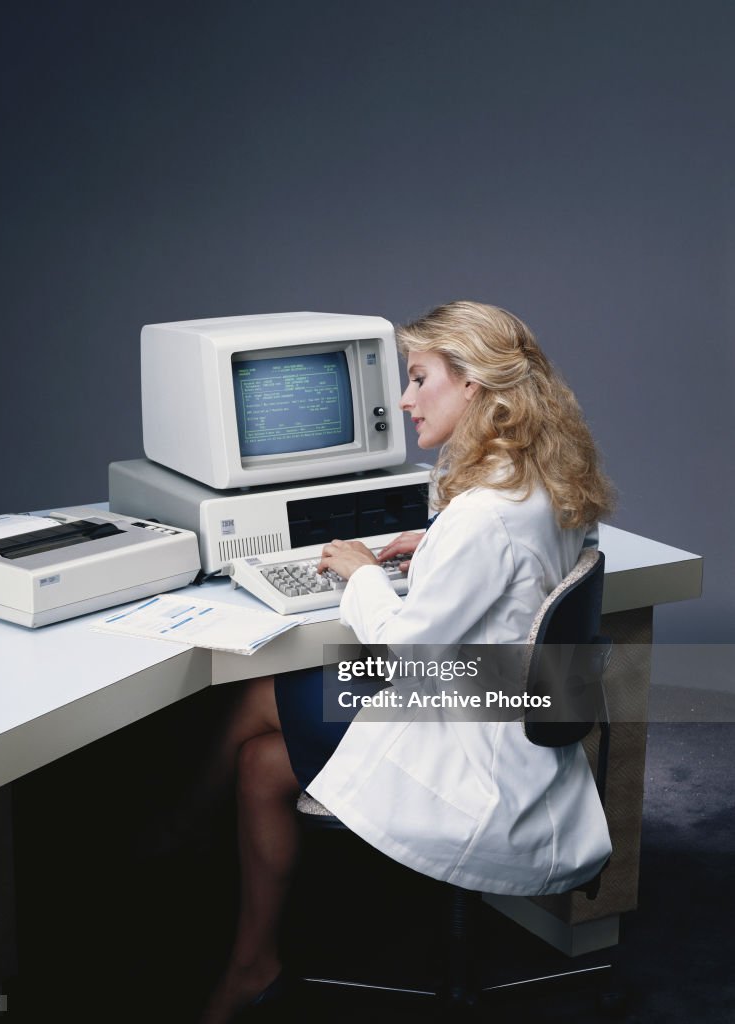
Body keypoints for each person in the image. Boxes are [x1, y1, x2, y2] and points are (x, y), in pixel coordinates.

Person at [198, 301, 616, 1024]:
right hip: (506, 713)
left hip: (472, 743)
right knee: (262, 762)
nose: (402, 398)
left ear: (474, 388)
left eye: (419, 378)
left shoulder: (481, 517)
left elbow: (399, 651)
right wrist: (434, 549)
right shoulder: (541, 480)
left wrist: (361, 569)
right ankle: (244, 949)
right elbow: (513, 573)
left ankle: (186, 875)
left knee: (265, 692)